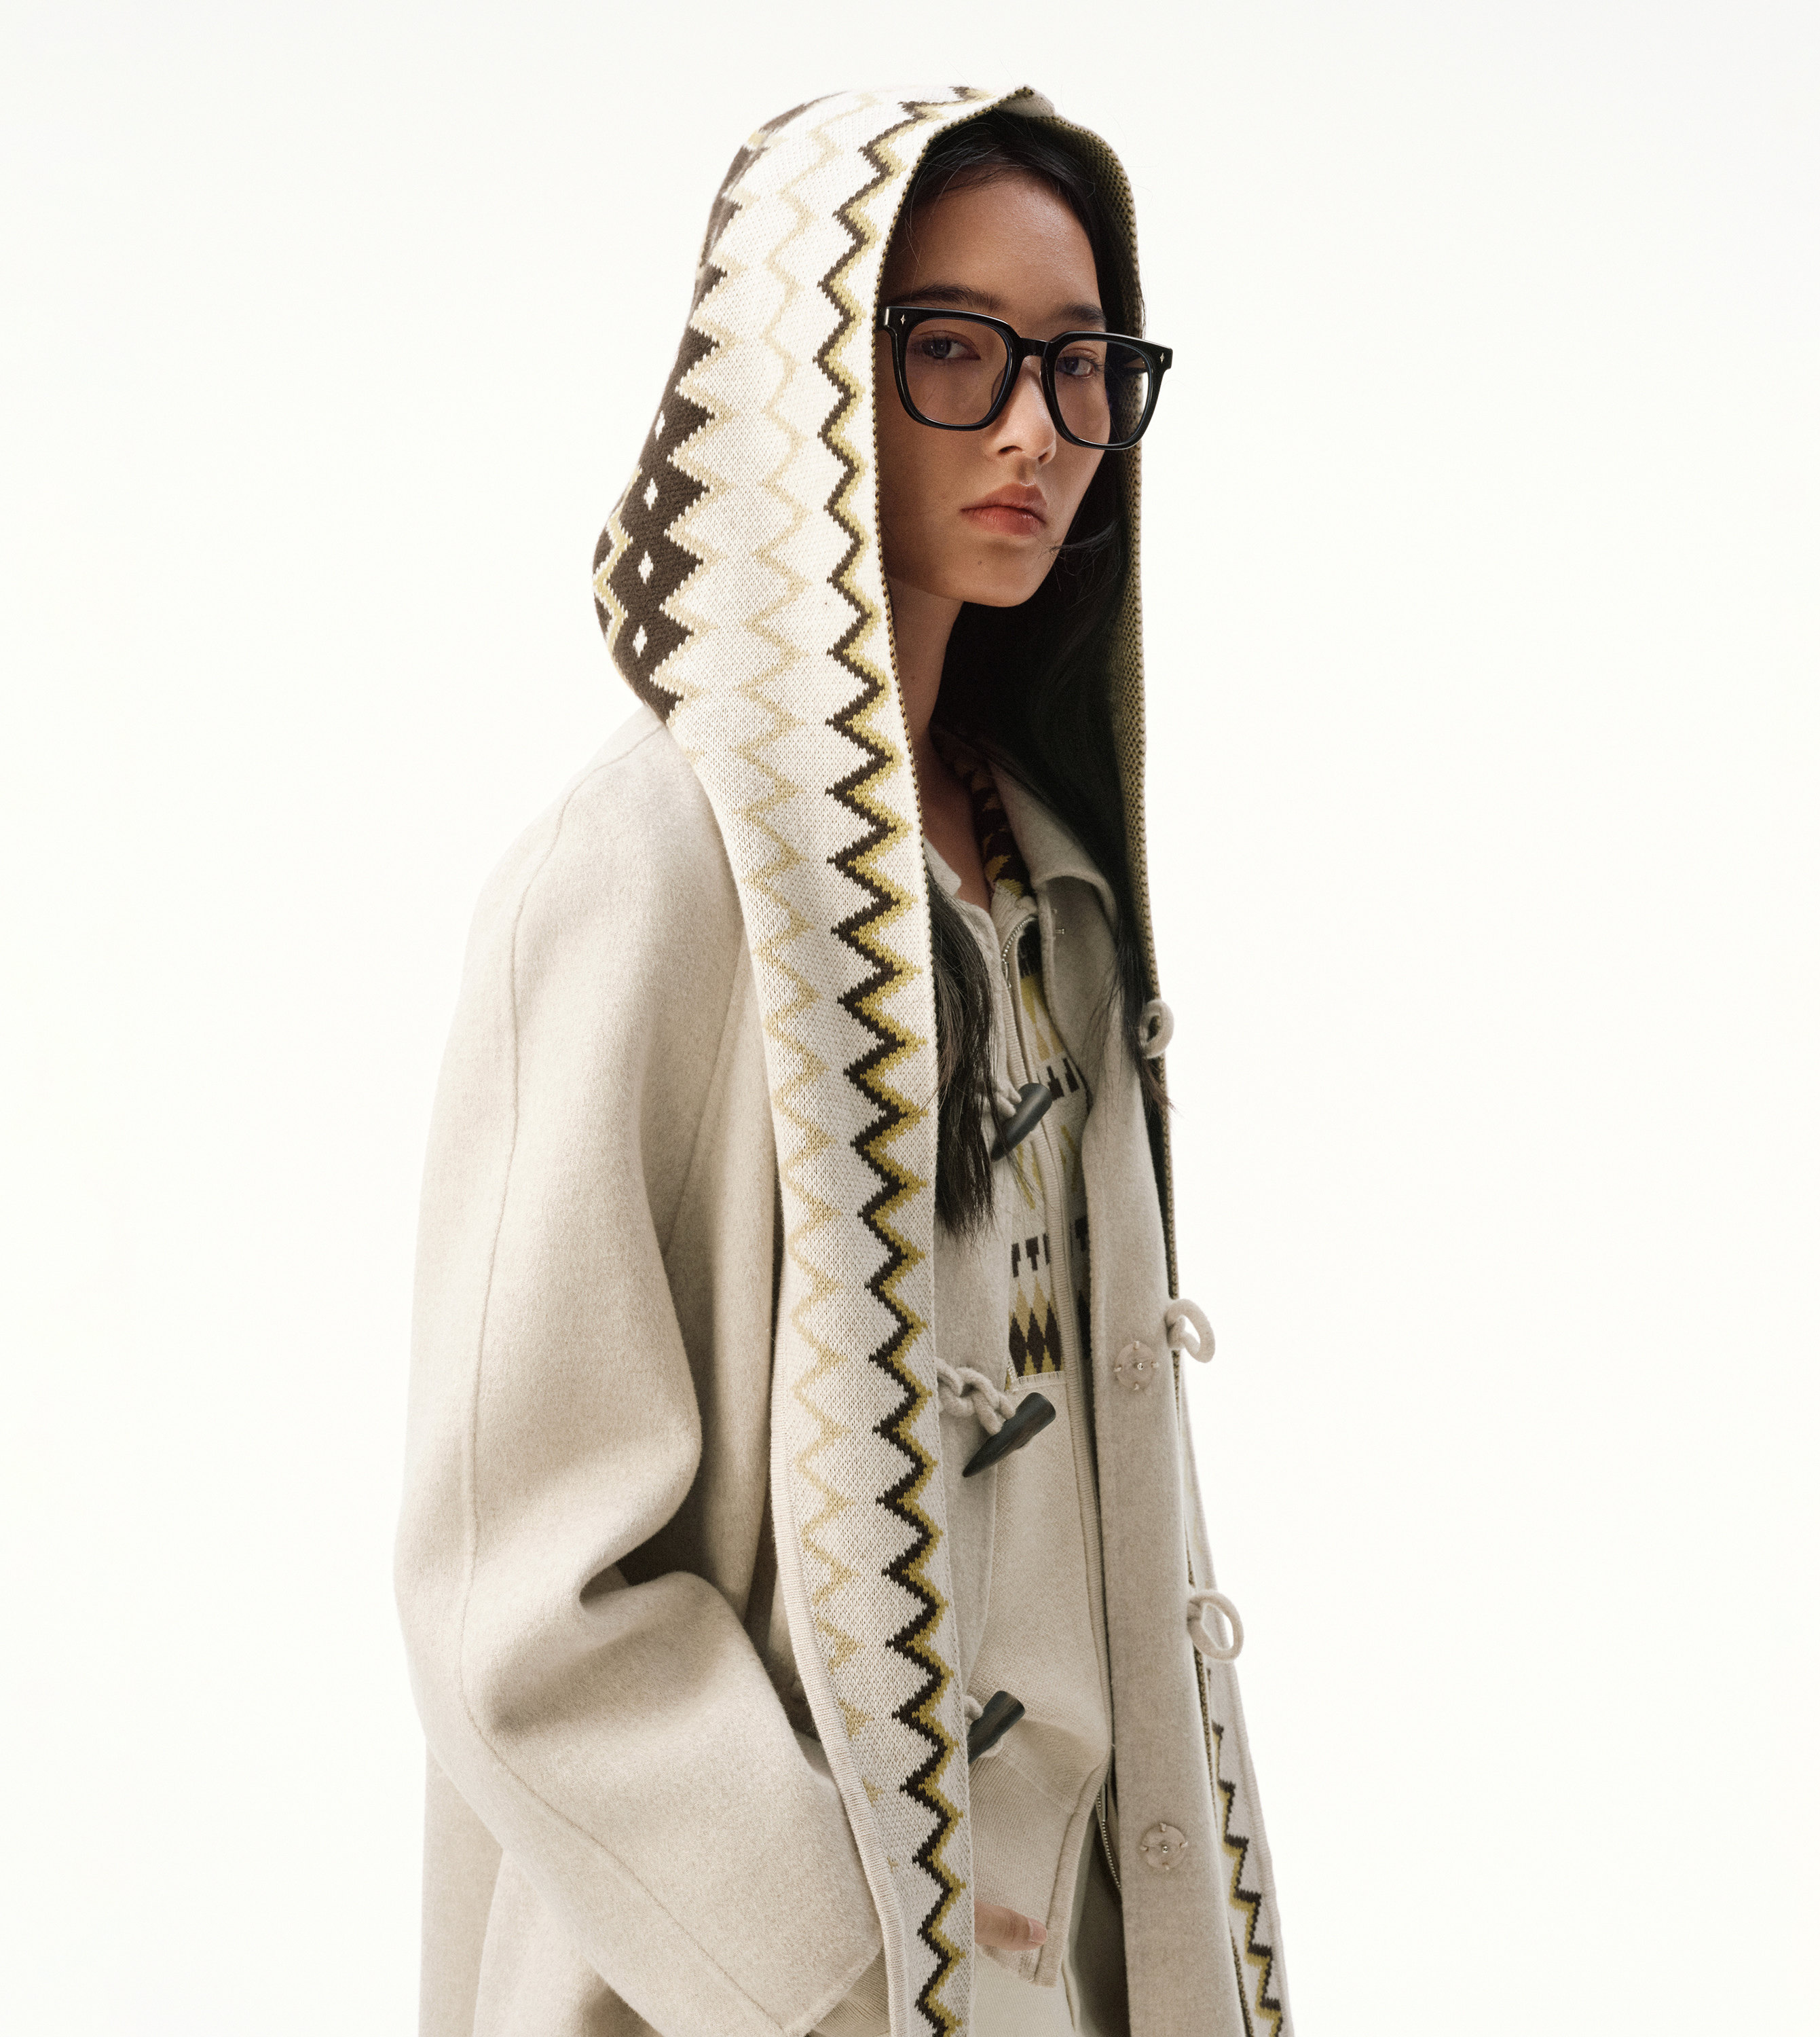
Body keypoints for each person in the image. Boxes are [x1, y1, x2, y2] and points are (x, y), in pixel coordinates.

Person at [394, 86, 1290, 2037]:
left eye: (1081, 364)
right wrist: (843, 1986)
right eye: (955, 349)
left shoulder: (1058, 892)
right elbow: (521, 1603)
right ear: (796, 378)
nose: (1035, 428)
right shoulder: (645, 875)